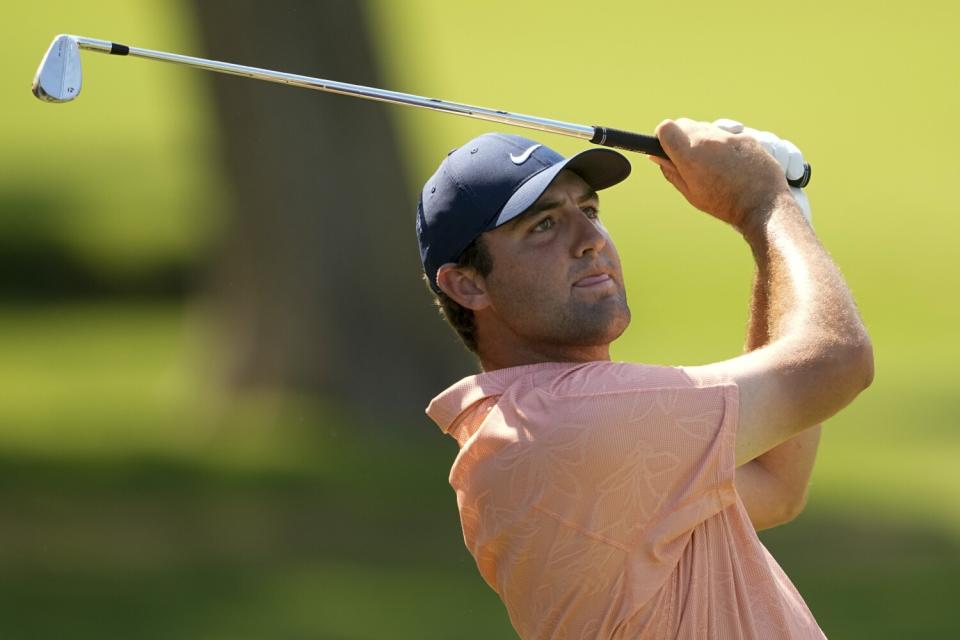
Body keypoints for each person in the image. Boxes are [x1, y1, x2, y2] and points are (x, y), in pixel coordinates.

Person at [415, 118, 873, 639]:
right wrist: (764, 204)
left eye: (588, 211)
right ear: (468, 285)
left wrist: (783, 213)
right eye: (543, 225)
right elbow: (838, 360)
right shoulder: (573, 424)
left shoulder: (533, 425)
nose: (590, 239)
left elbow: (775, 482)